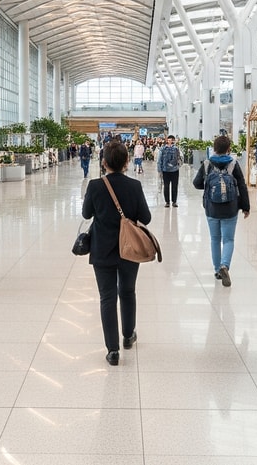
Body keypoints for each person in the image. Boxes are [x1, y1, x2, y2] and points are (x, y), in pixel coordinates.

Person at [82, 140, 151, 366]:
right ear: (127, 162)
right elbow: (146, 217)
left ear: (104, 162)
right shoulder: (134, 186)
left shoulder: (95, 186)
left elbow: (86, 214)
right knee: (128, 291)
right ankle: (128, 335)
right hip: (129, 248)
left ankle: (112, 350)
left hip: (102, 249)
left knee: (107, 297)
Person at [192, 134, 250, 286]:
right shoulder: (233, 164)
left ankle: (217, 270)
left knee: (215, 239)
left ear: (214, 148)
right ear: (229, 149)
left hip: (211, 207)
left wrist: (208, 185)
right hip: (231, 207)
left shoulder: (207, 163)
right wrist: (246, 207)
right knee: (228, 239)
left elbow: (196, 183)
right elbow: (242, 185)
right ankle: (225, 265)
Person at [155, 136, 182, 207]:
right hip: (165, 170)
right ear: (167, 140)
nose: (170, 141)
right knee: (166, 186)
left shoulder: (176, 149)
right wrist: (159, 170)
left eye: (171, 140)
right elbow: (159, 159)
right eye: (169, 140)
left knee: (174, 186)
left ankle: (174, 201)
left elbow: (180, 158)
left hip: (175, 170)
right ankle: (167, 202)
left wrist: (178, 165)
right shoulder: (163, 149)